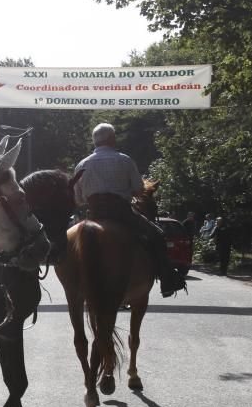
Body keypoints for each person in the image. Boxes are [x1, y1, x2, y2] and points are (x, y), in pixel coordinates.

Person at [71, 123, 186, 297]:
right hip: (122, 213)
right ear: (111, 138)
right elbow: (139, 190)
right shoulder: (124, 159)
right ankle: (167, 280)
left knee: (69, 244)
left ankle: (73, 284)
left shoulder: (81, 165)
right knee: (157, 235)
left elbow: (78, 200)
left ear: (95, 141)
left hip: (94, 214)